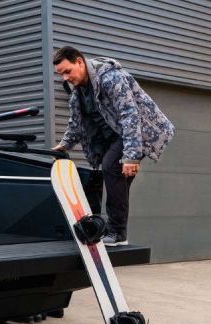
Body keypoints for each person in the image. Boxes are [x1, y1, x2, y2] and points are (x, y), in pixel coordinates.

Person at [51, 46, 174, 246]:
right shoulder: (78, 93)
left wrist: (131, 156)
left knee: (110, 168)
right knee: (117, 181)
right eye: (60, 74)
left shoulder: (110, 78)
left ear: (80, 62)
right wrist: (64, 145)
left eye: (67, 71)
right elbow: (76, 123)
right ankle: (114, 228)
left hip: (140, 130)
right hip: (116, 136)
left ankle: (117, 232)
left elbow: (130, 115)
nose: (65, 78)